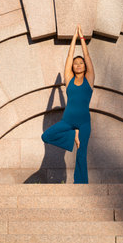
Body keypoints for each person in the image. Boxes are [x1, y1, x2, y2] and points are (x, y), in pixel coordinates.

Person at [41, 24, 95, 184]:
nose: (78, 65)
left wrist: (82, 38)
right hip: (68, 121)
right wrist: (73, 38)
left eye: (81, 63)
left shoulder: (89, 79)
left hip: (84, 122)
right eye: (75, 63)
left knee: (81, 154)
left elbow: (87, 55)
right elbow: (69, 56)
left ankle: (81, 185)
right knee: (46, 135)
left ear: (85, 66)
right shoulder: (69, 80)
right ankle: (73, 135)